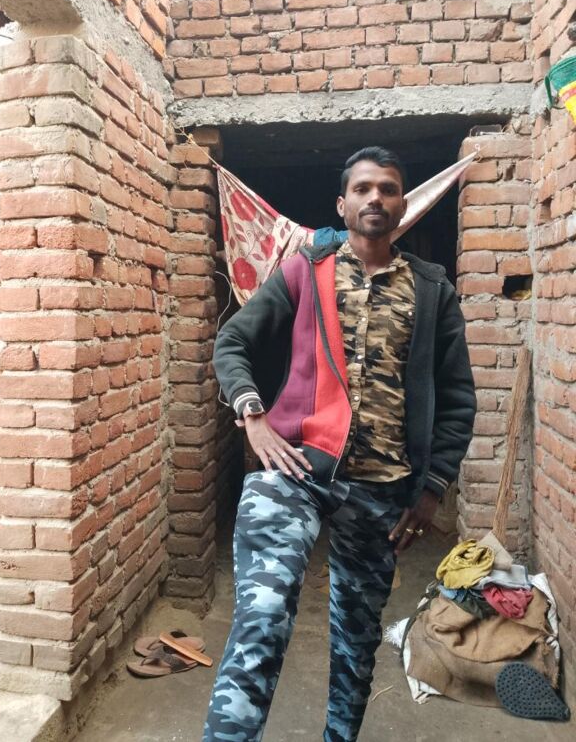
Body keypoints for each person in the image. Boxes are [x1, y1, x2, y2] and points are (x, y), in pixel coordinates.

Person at [203, 146, 476, 742]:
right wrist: (252, 415)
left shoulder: (432, 290)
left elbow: (458, 397)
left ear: (403, 205)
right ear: (341, 204)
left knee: (357, 640)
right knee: (261, 618)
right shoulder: (306, 270)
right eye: (362, 188)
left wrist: (431, 488)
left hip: (383, 487)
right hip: (293, 469)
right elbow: (233, 343)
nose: (375, 197)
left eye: (388, 188)